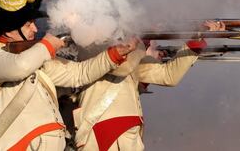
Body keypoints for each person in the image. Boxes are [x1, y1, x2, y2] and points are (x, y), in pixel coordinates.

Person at [0, 0, 138, 150]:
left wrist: (115, 54)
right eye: (28, 24)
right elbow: (21, 66)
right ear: (8, 30)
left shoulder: (36, 58)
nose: (35, 28)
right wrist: (49, 44)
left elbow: (79, 73)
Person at [73, 20, 225, 150]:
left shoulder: (134, 59)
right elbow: (120, 65)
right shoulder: (94, 46)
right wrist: (140, 37)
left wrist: (199, 37)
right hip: (100, 129)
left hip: (128, 133)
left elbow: (169, 76)